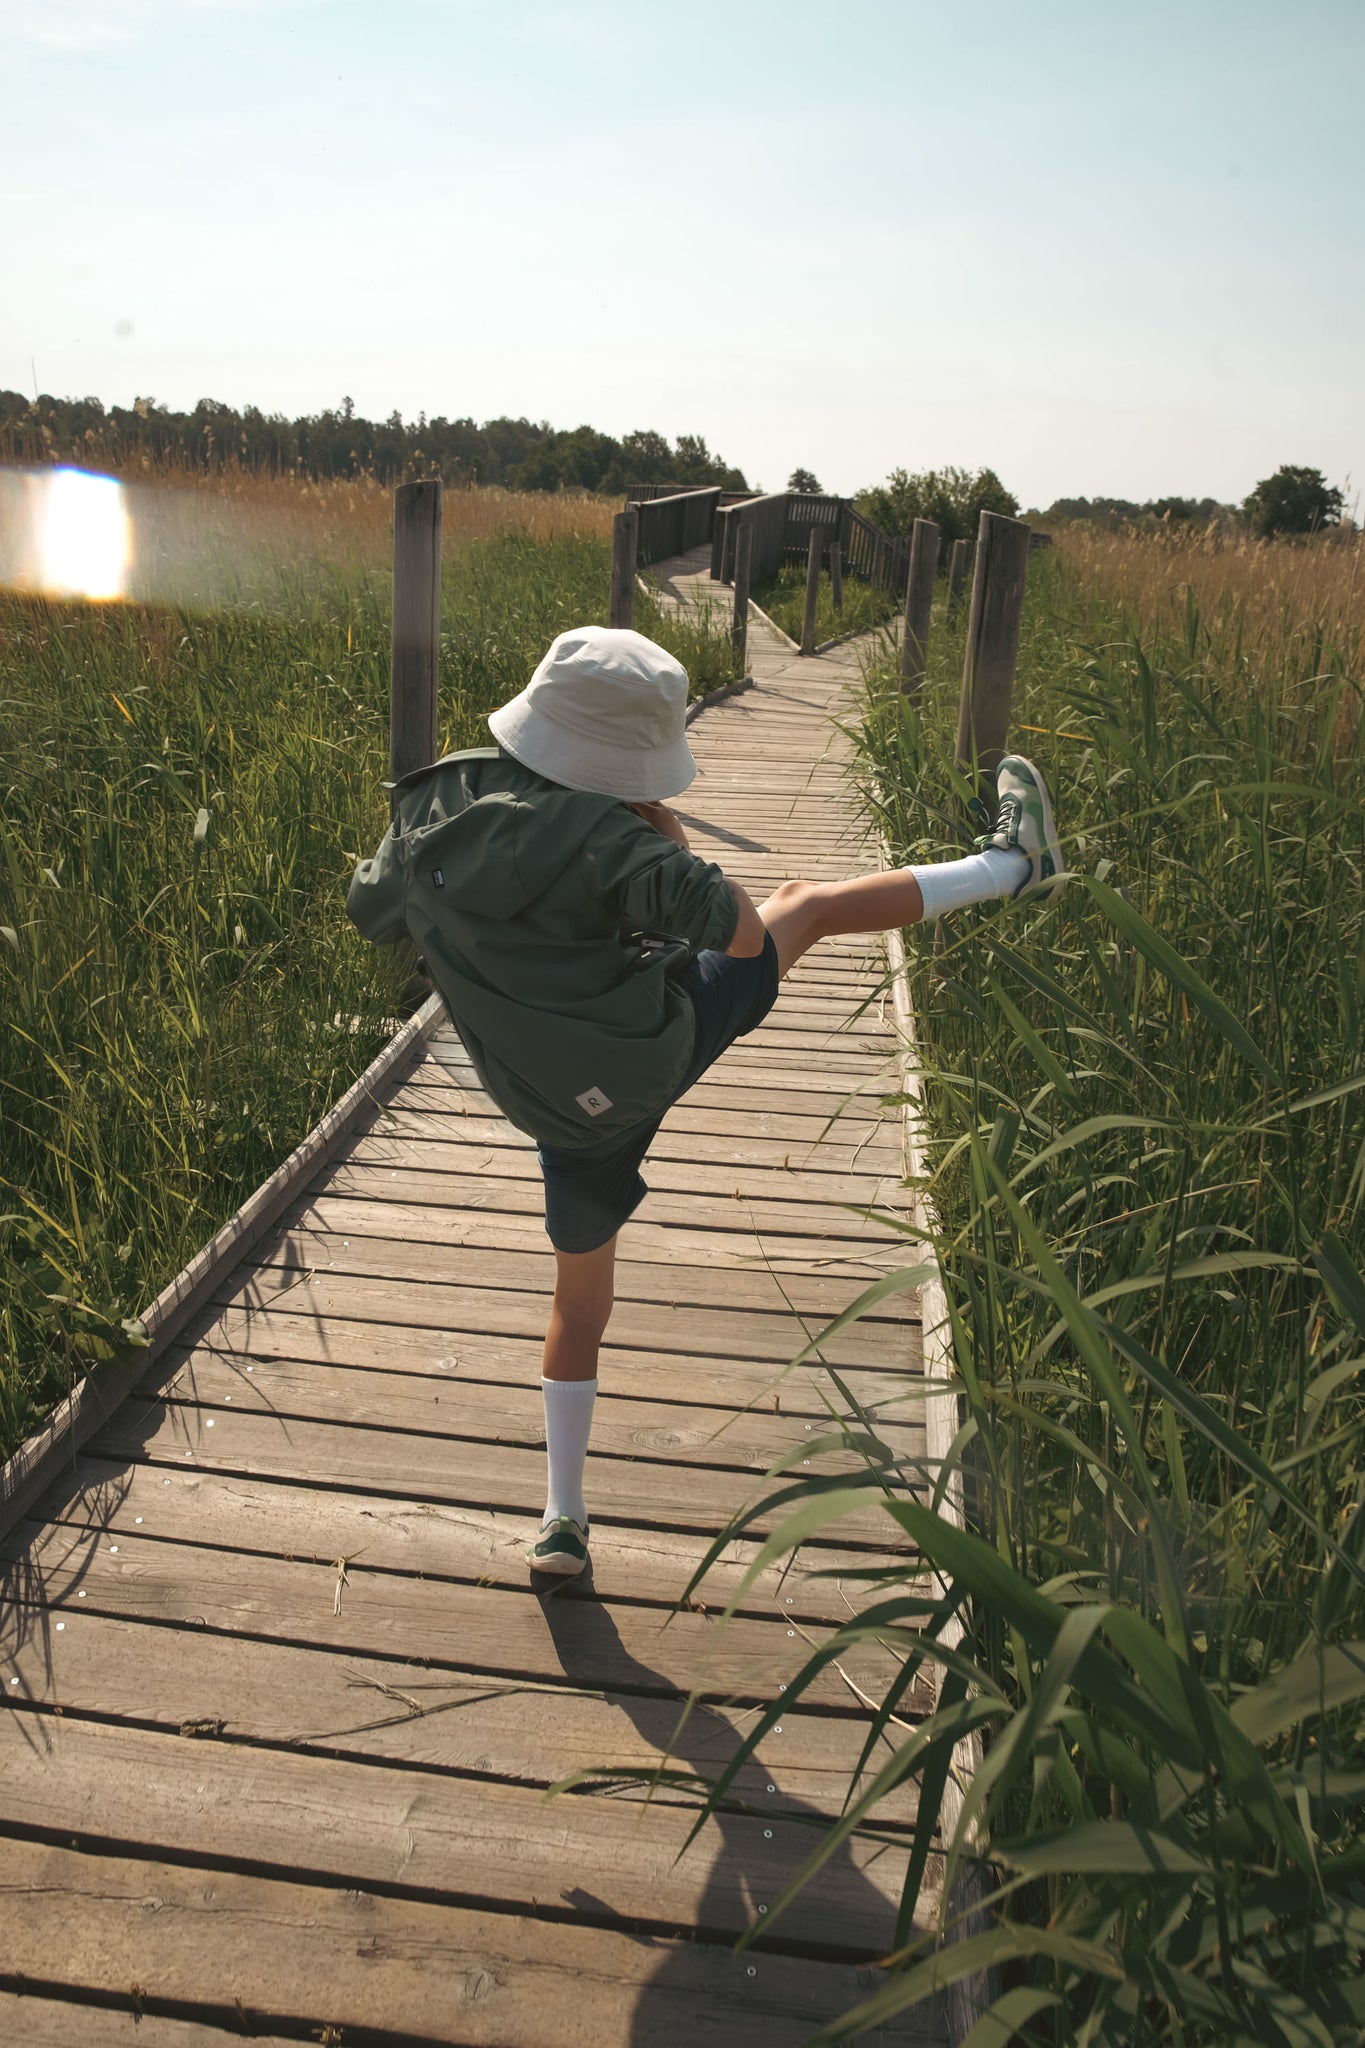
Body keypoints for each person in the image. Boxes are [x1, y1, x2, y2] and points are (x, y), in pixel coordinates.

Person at [347, 625, 1065, 1578]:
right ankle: (1014, 866)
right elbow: (734, 934)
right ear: (630, 766)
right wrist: (663, 840)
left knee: (579, 1305)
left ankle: (562, 1519)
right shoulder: (614, 840)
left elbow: (372, 913)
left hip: (553, 1107)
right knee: (800, 905)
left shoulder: (429, 812)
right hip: (649, 1053)